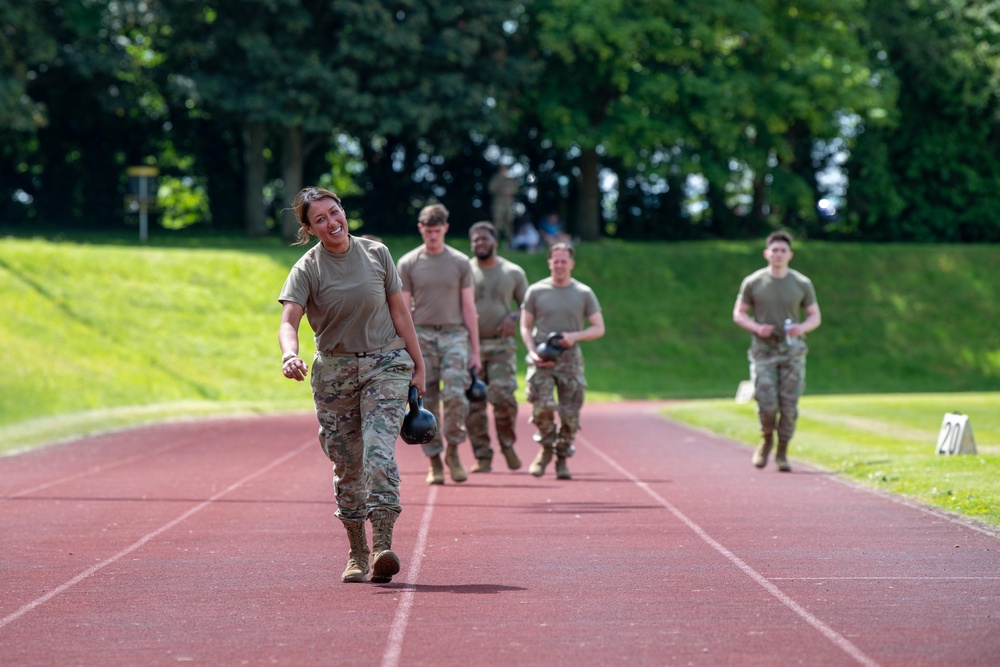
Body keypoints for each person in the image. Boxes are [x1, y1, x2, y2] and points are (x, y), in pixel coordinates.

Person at [277, 186, 426, 585]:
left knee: (379, 453)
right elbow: (288, 321)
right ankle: (357, 550)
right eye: (319, 219)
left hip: (386, 364)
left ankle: (382, 547)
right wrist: (289, 355)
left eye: (334, 211)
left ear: (344, 211)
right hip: (335, 372)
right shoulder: (307, 268)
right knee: (347, 464)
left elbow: (399, 311)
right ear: (309, 229)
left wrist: (419, 364)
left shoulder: (377, 253)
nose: (331, 222)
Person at [397, 203, 482, 485]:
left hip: (455, 334)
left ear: (445, 228)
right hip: (421, 334)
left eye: (437, 230)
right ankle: (434, 459)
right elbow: (404, 310)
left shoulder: (460, 263)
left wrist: (476, 352)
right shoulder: (408, 263)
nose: (432, 236)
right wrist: (406, 349)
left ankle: (454, 450)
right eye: (427, 231)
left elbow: (469, 308)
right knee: (424, 397)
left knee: (456, 393)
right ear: (421, 229)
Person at [732, 230, 822, 472]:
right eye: (775, 250)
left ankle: (782, 450)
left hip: (792, 351)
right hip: (763, 350)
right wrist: (756, 327)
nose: (779, 254)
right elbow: (739, 313)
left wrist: (801, 327)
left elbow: (815, 316)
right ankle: (766, 439)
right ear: (766, 254)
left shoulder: (801, 283)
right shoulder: (754, 282)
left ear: (790, 254)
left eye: (783, 251)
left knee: (789, 405)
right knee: (767, 402)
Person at [519, 243, 605, 480]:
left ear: (571, 264)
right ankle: (546, 448)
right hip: (542, 358)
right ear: (549, 263)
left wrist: (574, 337)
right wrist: (533, 351)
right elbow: (525, 326)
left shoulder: (583, 293)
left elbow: (599, 328)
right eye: (555, 261)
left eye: (563, 261)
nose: (559, 265)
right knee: (542, 408)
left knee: (570, 414)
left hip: (570, 360)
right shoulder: (536, 291)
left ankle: (562, 458)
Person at [466, 221, 530, 473]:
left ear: (494, 241)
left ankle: (507, 444)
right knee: (474, 404)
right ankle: (482, 456)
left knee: (504, 397)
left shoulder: (513, 272)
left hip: (502, 346)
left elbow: (528, 305)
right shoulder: (465, 271)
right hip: (471, 348)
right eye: (476, 240)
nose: (480, 243)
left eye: (484, 239)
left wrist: (512, 317)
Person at [487, 165, 519, 243]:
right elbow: (491, 188)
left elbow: (516, 189)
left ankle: (510, 243)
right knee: (497, 223)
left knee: (509, 223)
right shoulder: (496, 178)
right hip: (498, 205)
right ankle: (494, 241)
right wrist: (500, 190)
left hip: (509, 205)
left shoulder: (510, 180)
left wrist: (510, 191)